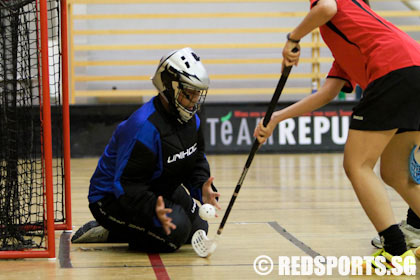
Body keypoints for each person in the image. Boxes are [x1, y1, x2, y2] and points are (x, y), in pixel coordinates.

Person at [254, 0, 420, 269]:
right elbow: (326, 94)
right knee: (397, 173)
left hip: (392, 69)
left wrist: (293, 38)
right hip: (413, 68)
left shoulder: (340, 10)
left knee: (357, 165)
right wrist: (276, 118)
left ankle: (395, 252)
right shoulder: (355, 39)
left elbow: (327, 7)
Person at [71, 47, 221, 253]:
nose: (194, 101)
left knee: (198, 228)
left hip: (155, 186)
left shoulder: (190, 119)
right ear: (169, 88)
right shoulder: (143, 127)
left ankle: (137, 228)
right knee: (176, 234)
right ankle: (111, 229)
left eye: (198, 94)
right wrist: (151, 210)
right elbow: (125, 185)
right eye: (189, 94)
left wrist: (202, 187)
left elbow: (195, 160)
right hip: (112, 199)